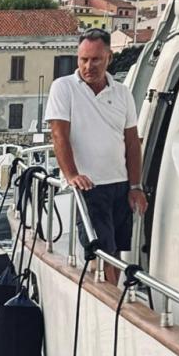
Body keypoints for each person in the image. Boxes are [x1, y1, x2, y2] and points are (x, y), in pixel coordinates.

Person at [45, 29, 147, 264]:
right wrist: (72, 175)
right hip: (90, 185)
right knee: (102, 253)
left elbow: (132, 142)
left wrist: (135, 186)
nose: (88, 66)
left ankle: (110, 286)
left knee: (117, 251)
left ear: (109, 58)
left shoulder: (123, 93)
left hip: (120, 185)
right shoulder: (63, 87)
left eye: (95, 60)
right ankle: (105, 287)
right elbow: (59, 135)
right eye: (83, 59)